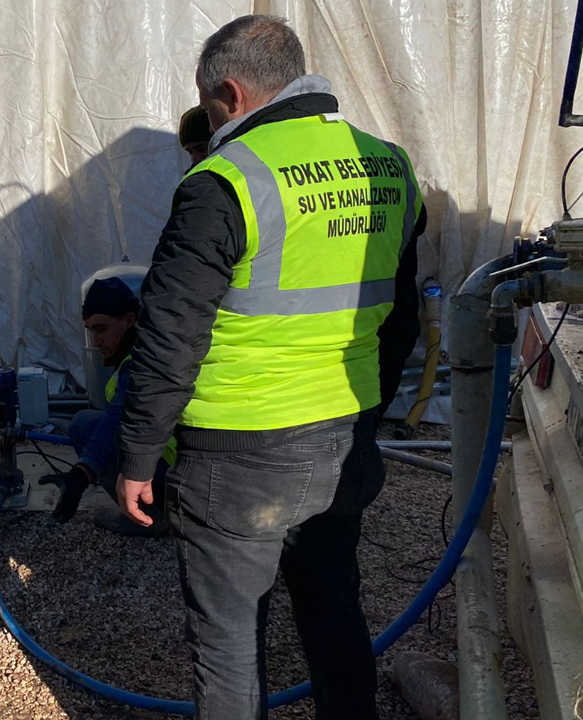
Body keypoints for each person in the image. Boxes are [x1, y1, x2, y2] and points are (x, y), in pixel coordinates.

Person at [116, 15, 424, 720]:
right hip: (342, 440)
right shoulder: (388, 164)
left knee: (228, 647)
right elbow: (402, 317)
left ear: (230, 91)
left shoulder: (224, 180)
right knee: (334, 610)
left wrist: (136, 455)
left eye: (211, 104)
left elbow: (169, 335)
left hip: (238, 453)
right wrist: (365, 415)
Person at [36, 277, 171, 537]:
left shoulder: (142, 364)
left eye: (101, 328)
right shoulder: (157, 345)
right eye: (90, 330)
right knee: (90, 421)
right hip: (188, 459)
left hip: (182, 469)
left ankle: (145, 516)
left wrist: (82, 474)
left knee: (83, 426)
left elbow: (117, 421)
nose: (95, 340)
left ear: (129, 320)